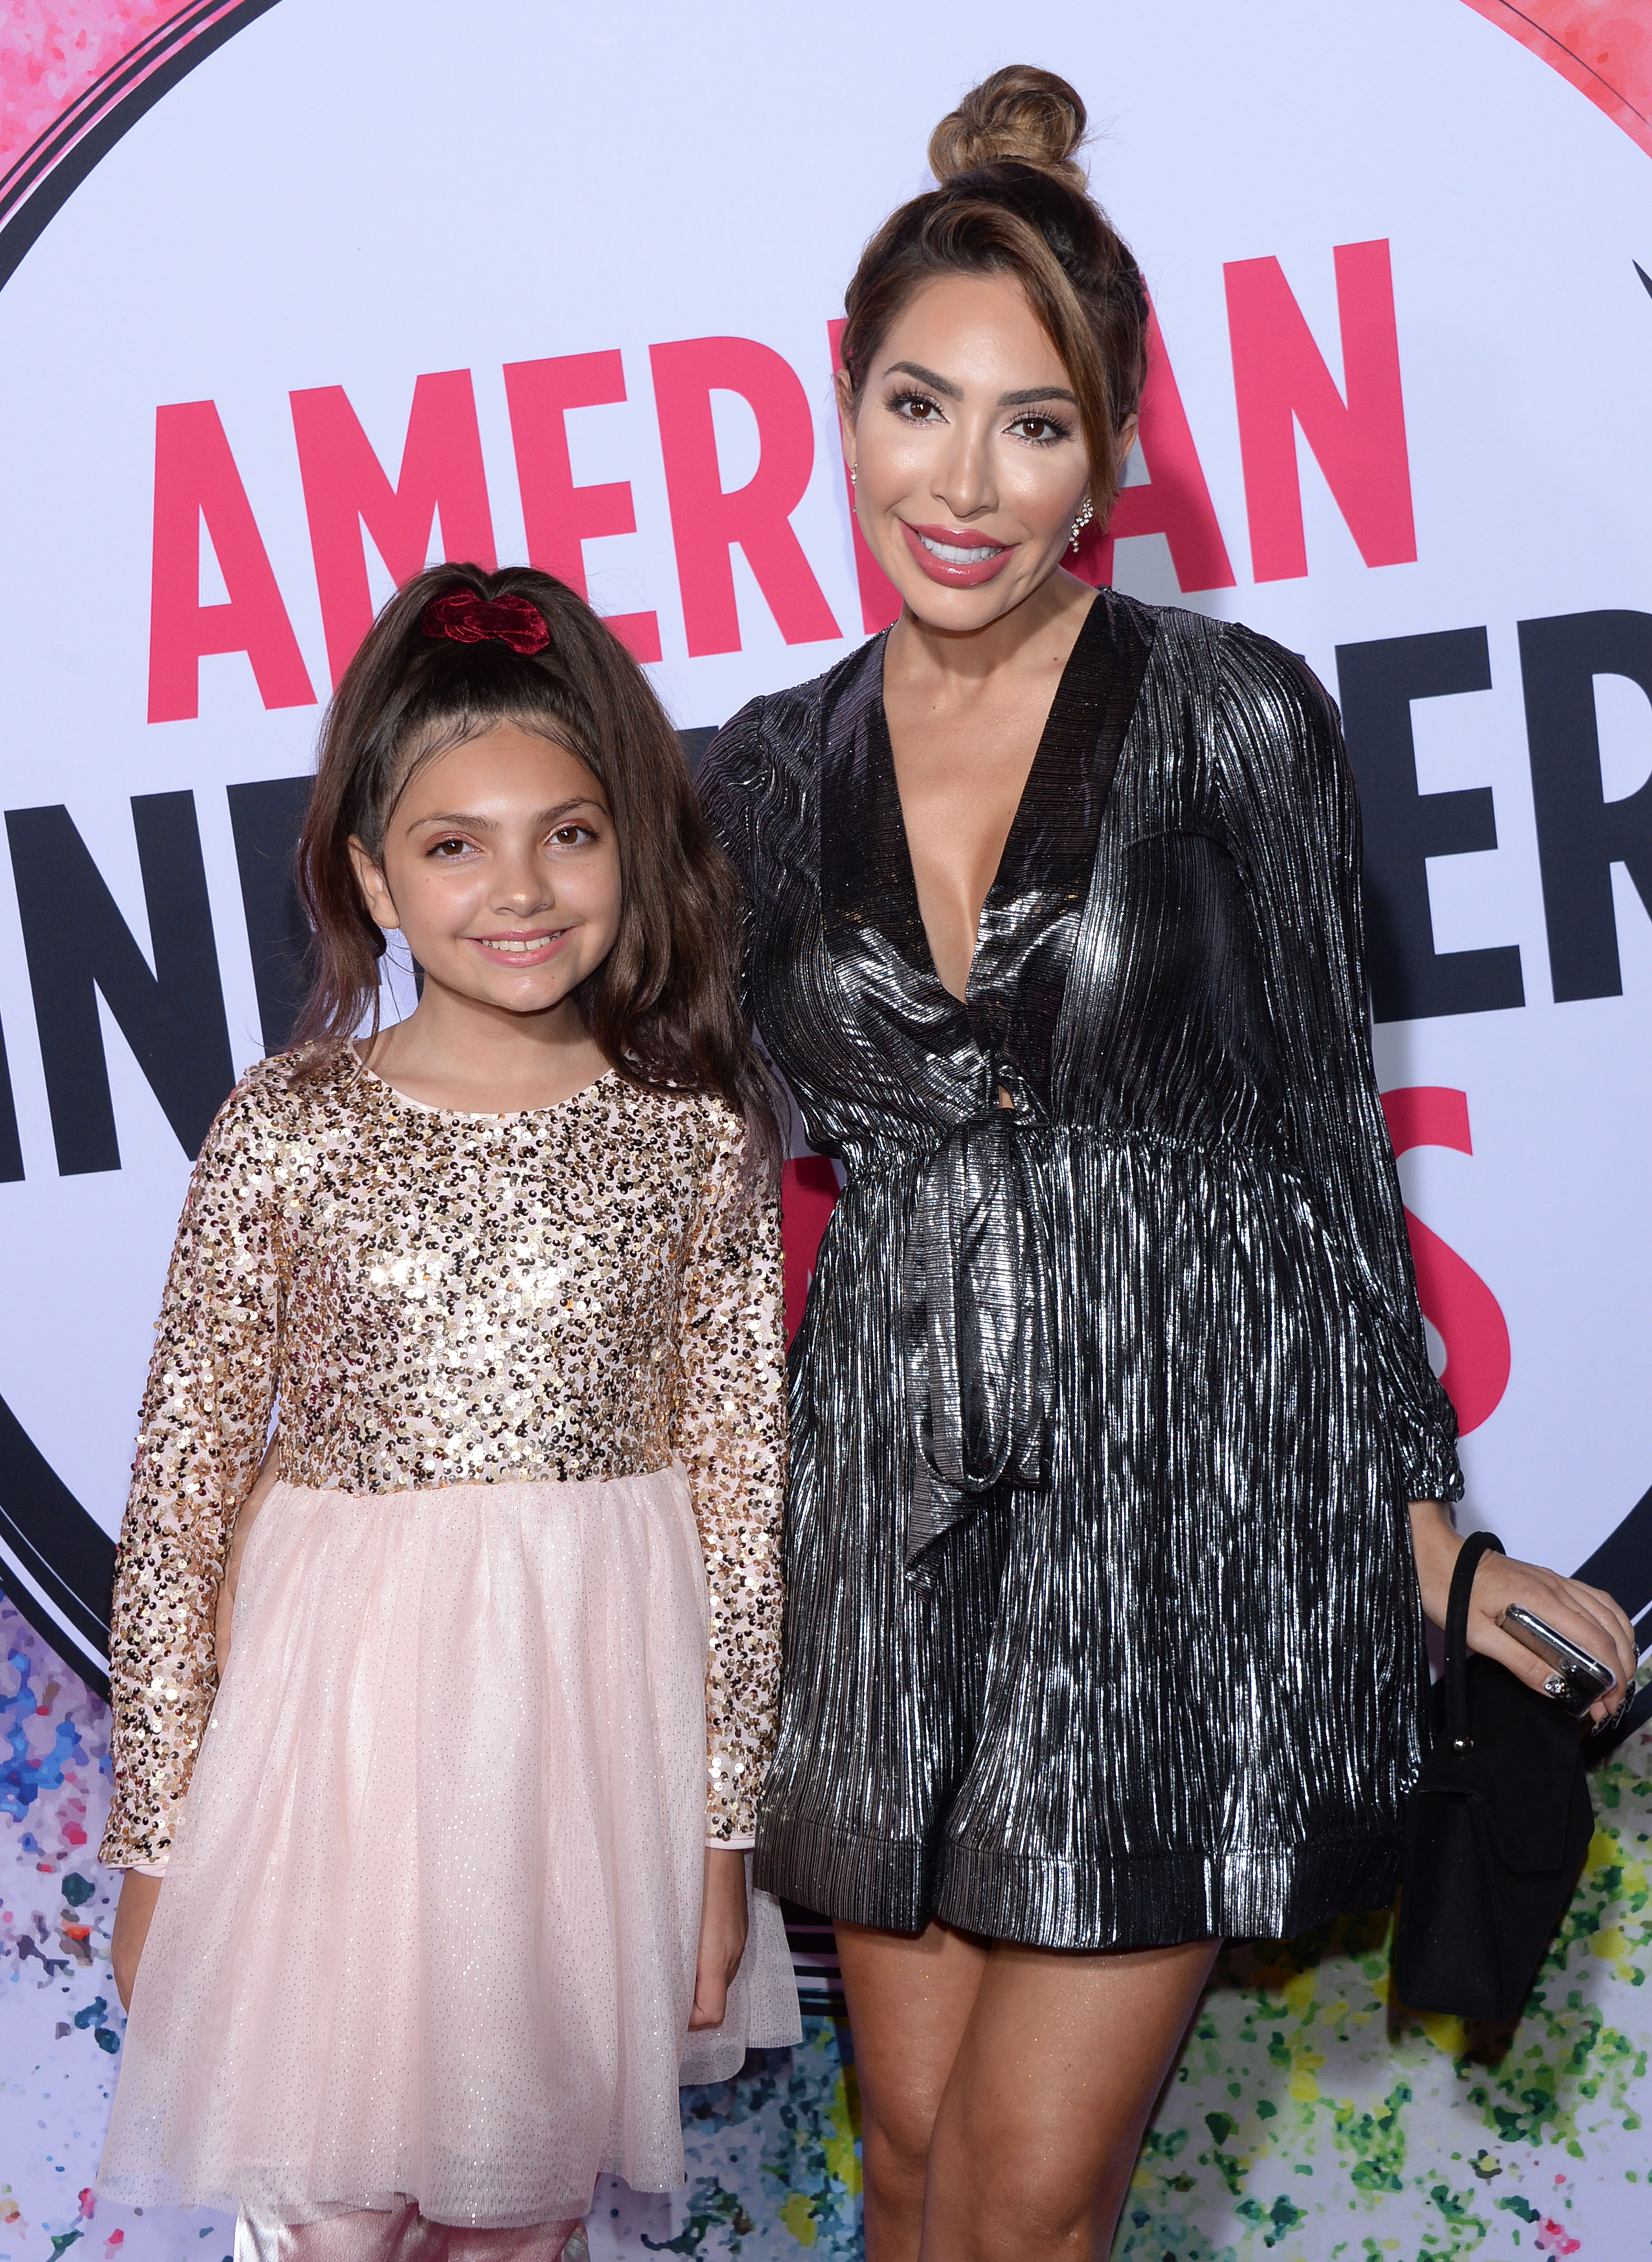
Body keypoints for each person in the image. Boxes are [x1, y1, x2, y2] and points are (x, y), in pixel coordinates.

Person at [698, 65, 1638, 2262]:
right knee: (915, 2167)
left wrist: (1427, 1539)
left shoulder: (1232, 712)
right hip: (882, 1514)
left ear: (1109, 456)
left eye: (1031, 424)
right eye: (917, 405)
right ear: (840, 405)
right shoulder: (751, 775)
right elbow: (660, 1156)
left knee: (1026, 2196)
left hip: (1178, 1511)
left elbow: (1325, 1144)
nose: (962, 479)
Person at [97, 563, 799, 2262]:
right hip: (325, 1763)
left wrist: (722, 1839)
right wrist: (152, 1844)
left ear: (630, 842)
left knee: (519, 2211)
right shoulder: (287, 1127)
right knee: (325, 2210)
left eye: (568, 832)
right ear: (371, 877)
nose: (522, 888)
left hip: (581, 1771)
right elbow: (182, 1501)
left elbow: (741, 1505)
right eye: (454, 843)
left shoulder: (693, 1134)